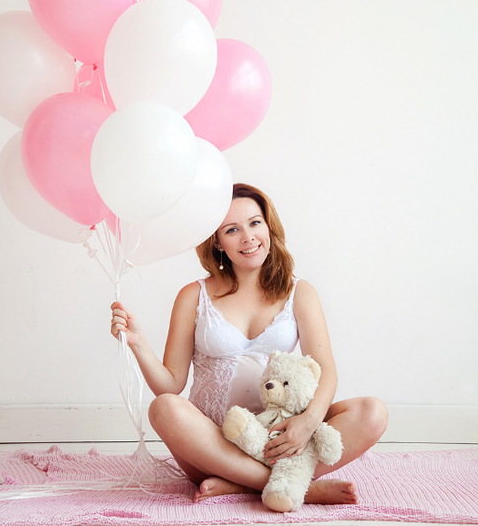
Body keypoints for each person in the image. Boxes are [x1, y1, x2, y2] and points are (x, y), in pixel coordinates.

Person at [111, 183, 388, 508]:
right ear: (217, 241)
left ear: (268, 226)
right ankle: (292, 487)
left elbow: (325, 368)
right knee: (163, 408)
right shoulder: (193, 296)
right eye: (232, 229)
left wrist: (309, 421)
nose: (248, 237)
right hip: (213, 448)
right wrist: (138, 342)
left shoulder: (300, 293)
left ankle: (240, 484)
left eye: (255, 223)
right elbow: (170, 385)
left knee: (373, 412)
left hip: (281, 439)